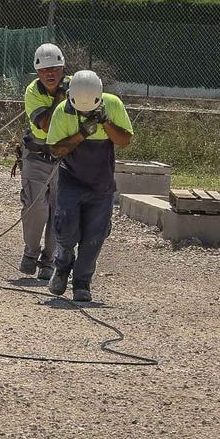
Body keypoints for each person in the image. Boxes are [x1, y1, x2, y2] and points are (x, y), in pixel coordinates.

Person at [44, 69, 133, 303]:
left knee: (95, 235)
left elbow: (124, 141)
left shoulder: (113, 105)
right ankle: (62, 265)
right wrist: (82, 133)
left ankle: (82, 282)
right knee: (65, 228)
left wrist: (105, 122)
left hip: (101, 184)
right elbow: (55, 150)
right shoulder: (63, 112)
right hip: (71, 180)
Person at [17, 43, 67, 278]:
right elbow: (46, 125)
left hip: (65, 159)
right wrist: (60, 97)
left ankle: (49, 260)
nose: (49, 74)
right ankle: (31, 252)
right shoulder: (33, 92)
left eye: (54, 69)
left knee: (59, 211)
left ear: (62, 68)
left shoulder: (75, 86)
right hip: (37, 157)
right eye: (44, 70)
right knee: (36, 207)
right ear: (37, 73)